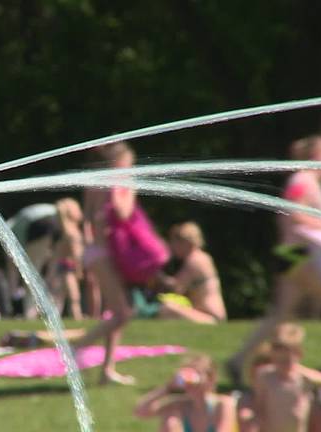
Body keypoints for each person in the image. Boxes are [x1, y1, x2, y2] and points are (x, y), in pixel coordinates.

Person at [227, 135, 321, 384]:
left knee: (282, 313)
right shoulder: (303, 179)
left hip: (292, 254)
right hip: (301, 254)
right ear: (317, 155)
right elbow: (292, 214)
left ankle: (238, 360)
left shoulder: (306, 181)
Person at [75, 141, 168, 385]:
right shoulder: (118, 183)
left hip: (102, 254)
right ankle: (77, 348)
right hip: (103, 256)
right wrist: (124, 187)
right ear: (120, 163)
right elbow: (123, 212)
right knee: (123, 314)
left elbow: (87, 220)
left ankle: (107, 370)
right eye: (130, 164)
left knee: (116, 312)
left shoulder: (95, 182)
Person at [253, 323, 321, 432]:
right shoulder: (265, 376)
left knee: (319, 411)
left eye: (288, 361)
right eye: (280, 359)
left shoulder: (304, 377)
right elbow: (258, 410)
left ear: (299, 354)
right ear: (272, 354)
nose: (285, 364)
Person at [134, 354, 236, 431]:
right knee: (170, 419)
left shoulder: (223, 403)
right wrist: (168, 388)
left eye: (197, 374)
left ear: (211, 379)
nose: (190, 380)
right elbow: (141, 411)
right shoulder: (180, 405)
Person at [158, 221, 227, 324]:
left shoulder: (194, 261)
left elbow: (176, 288)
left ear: (186, 242)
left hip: (211, 318)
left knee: (167, 308)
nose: (172, 247)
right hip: (211, 315)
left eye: (175, 242)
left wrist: (156, 274)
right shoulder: (202, 257)